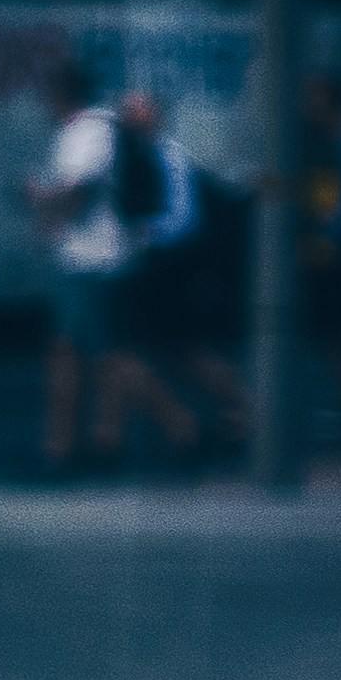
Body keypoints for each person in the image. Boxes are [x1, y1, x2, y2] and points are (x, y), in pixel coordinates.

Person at [28, 59, 199, 470]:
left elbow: (77, 191)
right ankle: (87, 443)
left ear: (60, 95)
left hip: (92, 259)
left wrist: (43, 205)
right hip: (101, 256)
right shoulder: (103, 128)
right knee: (88, 354)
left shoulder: (86, 132)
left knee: (104, 357)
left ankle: (179, 424)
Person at [107, 91, 252, 463]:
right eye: (126, 115)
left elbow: (182, 220)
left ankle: (210, 420)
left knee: (159, 352)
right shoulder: (142, 157)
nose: (128, 121)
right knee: (176, 351)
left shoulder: (168, 158)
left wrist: (142, 235)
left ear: (155, 118)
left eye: (136, 114)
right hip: (159, 270)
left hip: (168, 270)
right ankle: (218, 417)